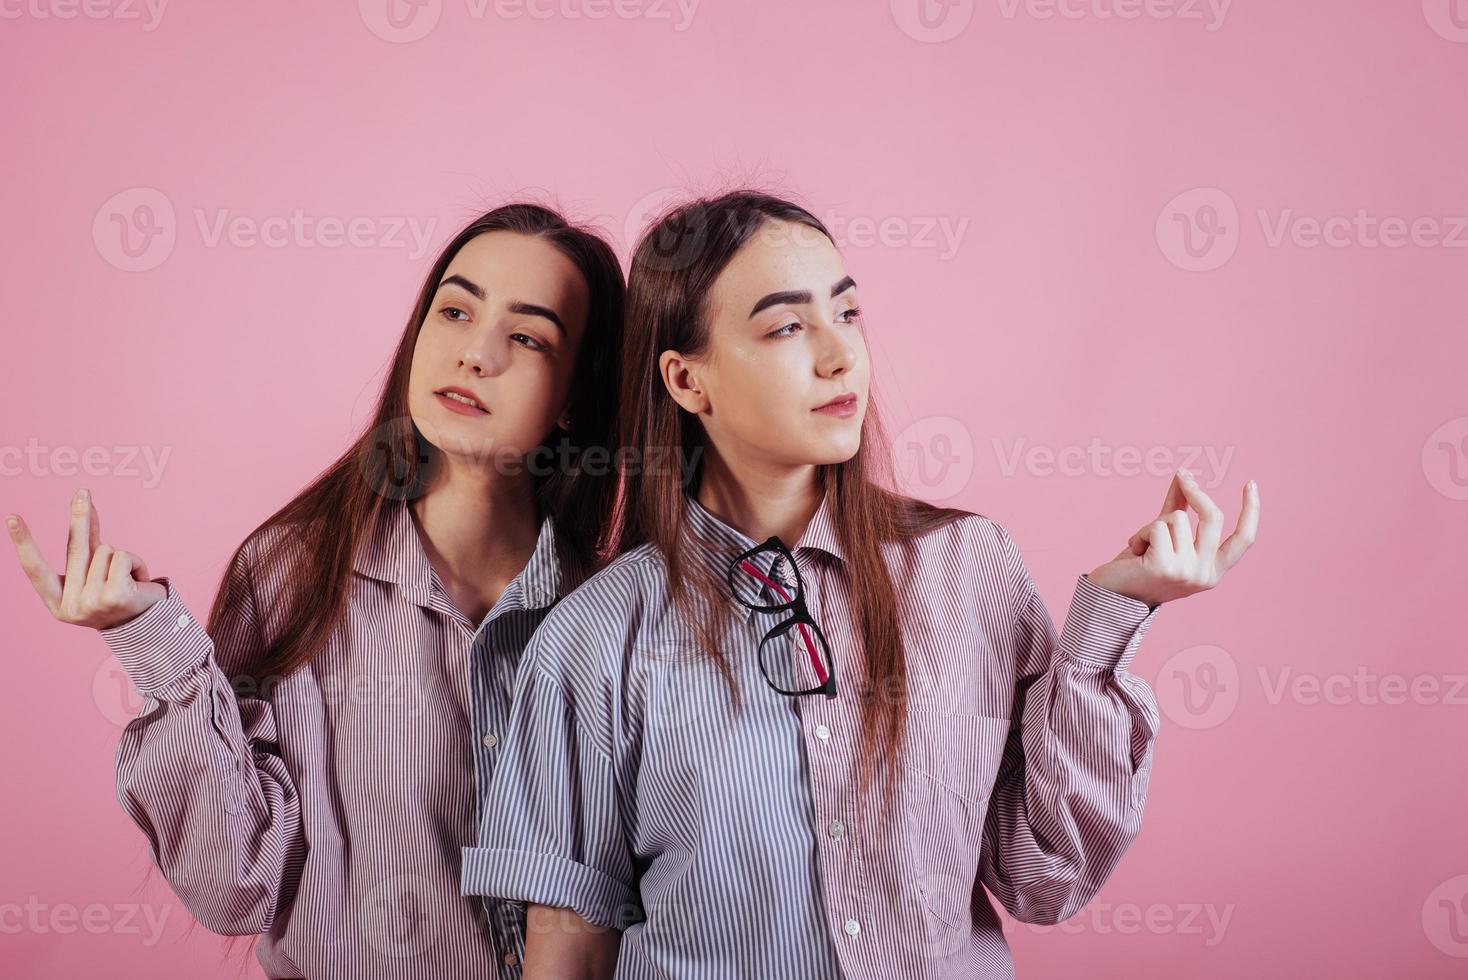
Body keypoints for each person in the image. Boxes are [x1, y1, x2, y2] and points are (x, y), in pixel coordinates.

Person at [461, 190, 1260, 979]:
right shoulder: (596, 635)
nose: (840, 355)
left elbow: (1044, 877)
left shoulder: (967, 570)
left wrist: (1112, 619)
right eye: (785, 326)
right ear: (686, 380)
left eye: (846, 314)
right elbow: (570, 941)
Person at [6, 202, 626, 979]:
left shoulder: (613, 615)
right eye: (456, 310)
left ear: (573, 396)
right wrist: (151, 641)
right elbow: (236, 886)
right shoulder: (294, 574)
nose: (475, 353)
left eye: (528, 336)